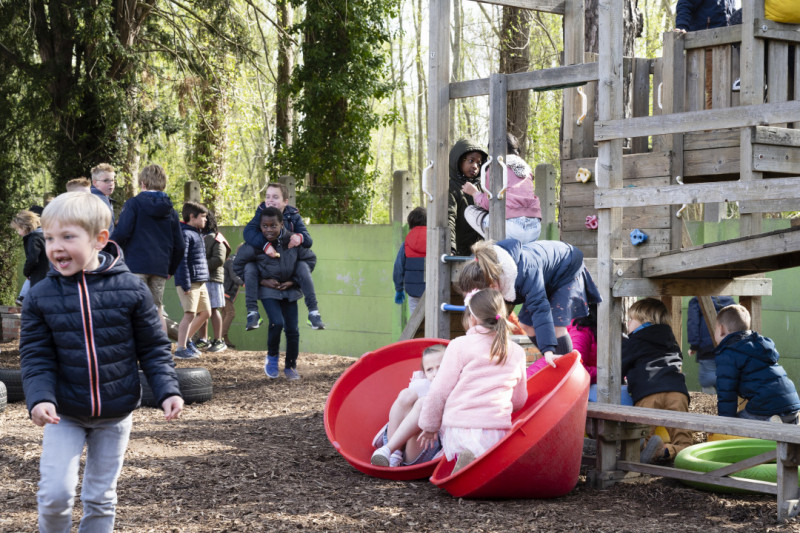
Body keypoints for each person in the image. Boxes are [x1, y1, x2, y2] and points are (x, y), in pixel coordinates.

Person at [18, 191, 183, 532]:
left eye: (67, 237)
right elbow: (36, 355)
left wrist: (167, 390)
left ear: (99, 239)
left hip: (115, 413)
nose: (55, 247)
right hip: (62, 413)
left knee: (100, 498)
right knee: (54, 495)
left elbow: (153, 347)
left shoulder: (131, 290)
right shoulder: (40, 296)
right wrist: (40, 398)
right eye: (49, 238)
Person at [417, 288, 527, 473]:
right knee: (485, 470)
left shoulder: (459, 345)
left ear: (473, 318)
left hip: (459, 429)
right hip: (496, 431)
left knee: (458, 448)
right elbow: (519, 400)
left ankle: (466, 457)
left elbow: (439, 391)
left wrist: (429, 426)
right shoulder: (517, 351)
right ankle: (477, 460)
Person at [458, 238, 601, 368]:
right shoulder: (496, 276)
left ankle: (568, 368)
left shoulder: (525, 274)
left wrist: (548, 349)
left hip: (566, 266)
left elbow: (540, 310)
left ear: (492, 285)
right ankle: (555, 360)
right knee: (526, 324)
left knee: (557, 325)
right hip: (545, 274)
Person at [234, 207, 317, 380]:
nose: (269, 230)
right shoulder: (257, 244)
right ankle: (272, 359)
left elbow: (310, 258)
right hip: (268, 290)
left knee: (293, 329)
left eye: (273, 226)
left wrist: (293, 281)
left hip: (290, 291)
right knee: (277, 322)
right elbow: (238, 265)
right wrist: (262, 282)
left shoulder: (291, 241)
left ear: (282, 224)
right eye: (265, 226)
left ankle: (291, 365)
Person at [111, 164, 186, 334]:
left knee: (133, 308)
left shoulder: (134, 204)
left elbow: (122, 232)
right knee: (157, 309)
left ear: (142, 183)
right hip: (160, 267)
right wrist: (170, 269)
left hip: (136, 265)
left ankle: (135, 352)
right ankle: (161, 351)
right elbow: (180, 245)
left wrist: (108, 250)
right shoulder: (171, 211)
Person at [241, 182, 325, 330]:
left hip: (288, 263)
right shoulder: (261, 213)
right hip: (267, 264)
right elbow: (248, 232)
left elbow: (308, 240)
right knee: (249, 267)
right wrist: (265, 245)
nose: (270, 200)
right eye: (267, 197)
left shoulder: (293, 216)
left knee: (303, 266)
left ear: (285, 202)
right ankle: (252, 313)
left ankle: (314, 312)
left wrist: (299, 237)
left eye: (275, 197)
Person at [622, 298, 692, 464]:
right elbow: (678, 359)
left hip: (648, 392)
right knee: (684, 439)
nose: (628, 322)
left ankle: (641, 447)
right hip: (677, 391)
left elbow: (620, 366)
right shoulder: (670, 339)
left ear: (644, 321)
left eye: (631, 319)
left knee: (641, 432)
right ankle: (666, 451)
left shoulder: (633, 341)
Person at [714, 304, 800, 424]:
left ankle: (771, 422)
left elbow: (726, 394)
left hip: (767, 407)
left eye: (715, 329)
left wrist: (725, 424)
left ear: (722, 329)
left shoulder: (728, 354)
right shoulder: (760, 346)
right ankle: (786, 421)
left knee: (739, 422)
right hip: (792, 403)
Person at [370, 344, 446, 467]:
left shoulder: (455, 387)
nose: (435, 373)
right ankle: (392, 454)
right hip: (399, 445)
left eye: (440, 367)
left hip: (428, 445)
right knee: (406, 394)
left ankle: (389, 449)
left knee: (424, 404)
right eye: (429, 369)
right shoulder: (424, 384)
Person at [462, 133, 543, 243]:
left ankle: (493, 248)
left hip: (510, 229)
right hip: (534, 229)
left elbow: (488, 203)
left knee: (470, 211)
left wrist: (475, 193)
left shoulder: (496, 168)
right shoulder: (526, 168)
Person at [675, 0, 734, 108]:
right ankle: (713, 123)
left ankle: (722, 121)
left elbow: (729, 12)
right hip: (706, 41)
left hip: (727, 41)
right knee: (713, 89)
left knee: (725, 87)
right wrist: (682, 26)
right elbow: (685, 3)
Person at [174, 201, 211, 359]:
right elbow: (182, 260)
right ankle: (180, 348)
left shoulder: (196, 232)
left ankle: (186, 340)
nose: (206, 220)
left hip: (200, 281)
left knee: (206, 312)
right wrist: (185, 283)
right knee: (189, 314)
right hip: (189, 282)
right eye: (202, 217)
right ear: (192, 217)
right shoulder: (185, 234)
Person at [195, 211, 231, 353]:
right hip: (200, 279)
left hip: (213, 279)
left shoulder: (217, 238)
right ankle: (203, 339)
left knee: (214, 308)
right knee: (201, 310)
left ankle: (218, 340)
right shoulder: (199, 236)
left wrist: (200, 266)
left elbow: (219, 259)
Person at [687, 296, 735, 394]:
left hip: (706, 346)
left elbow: (693, 323)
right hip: (727, 346)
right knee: (724, 374)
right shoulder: (730, 301)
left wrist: (694, 345)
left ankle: (712, 402)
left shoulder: (696, 302)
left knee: (706, 379)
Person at [448, 139, 488, 256]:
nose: (475, 166)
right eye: (471, 161)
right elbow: (449, 217)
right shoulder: (452, 187)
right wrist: (451, 248)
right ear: (459, 161)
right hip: (460, 250)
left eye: (479, 163)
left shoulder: (482, 186)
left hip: (481, 250)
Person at [393, 206, 427, 315]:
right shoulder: (435, 239)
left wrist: (399, 289)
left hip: (413, 290)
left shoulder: (406, 243)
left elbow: (398, 267)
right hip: (433, 289)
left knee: (415, 321)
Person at [11, 210, 49, 303]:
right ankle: (22, 298)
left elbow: (32, 259)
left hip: (39, 275)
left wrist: (26, 272)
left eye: (18, 229)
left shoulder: (34, 238)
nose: (18, 233)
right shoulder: (44, 235)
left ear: (25, 227)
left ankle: (22, 298)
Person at [221, 244, 244, 349]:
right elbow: (235, 276)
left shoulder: (236, 261)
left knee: (225, 314)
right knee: (231, 313)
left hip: (226, 292)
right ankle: (219, 338)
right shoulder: (233, 261)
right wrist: (244, 283)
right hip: (225, 292)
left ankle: (224, 340)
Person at [90, 163, 117, 233]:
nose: (111, 183)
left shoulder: (105, 197)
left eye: (112, 180)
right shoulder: (95, 200)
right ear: (95, 183)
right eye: (106, 180)